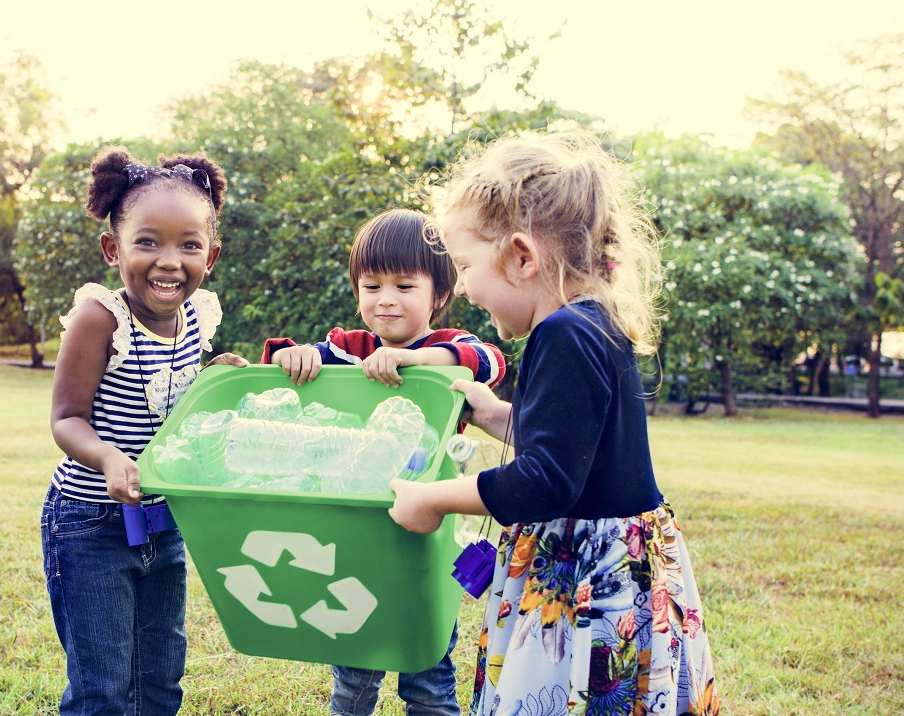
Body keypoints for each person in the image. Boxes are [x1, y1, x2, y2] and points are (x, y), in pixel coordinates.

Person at [388, 133, 720, 715]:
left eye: (465, 266)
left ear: (521, 257)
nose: (461, 286)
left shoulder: (561, 333)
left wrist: (434, 499)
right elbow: (572, 444)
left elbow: (546, 480)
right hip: (620, 558)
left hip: (589, 574)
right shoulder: (592, 320)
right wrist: (493, 414)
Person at [261, 208, 507, 716]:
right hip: (355, 530)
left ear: (438, 295)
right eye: (371, 285)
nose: (385, 299)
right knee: (354, 664)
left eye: (404, 285)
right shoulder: (350, 349)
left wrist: (412, 359)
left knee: (428, 671)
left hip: (426, 535)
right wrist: (294, 357)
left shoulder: (446, 347)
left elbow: (486, 360)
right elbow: (289, 364)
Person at [41, 146, 247, 716]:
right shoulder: (99, 318)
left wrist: (213, 380)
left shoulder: (198, 316)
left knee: (161, 675)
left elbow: (172, 402)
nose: (168, 261)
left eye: (189, 244)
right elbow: (66, 419)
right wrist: (107, 458)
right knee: (103, 684)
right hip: (91, 526)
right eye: (147, 241)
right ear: (114, 248)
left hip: (166, 523)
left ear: (212, 254)